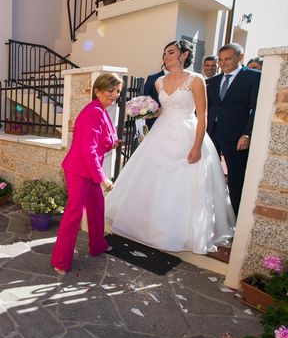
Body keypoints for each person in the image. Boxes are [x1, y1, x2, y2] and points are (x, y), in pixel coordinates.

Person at [106, 40, 235, 254]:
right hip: (161, 134)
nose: (167, 56)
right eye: (165, 53)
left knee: (183, 183)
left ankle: (177, 231)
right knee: (151, 178)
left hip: (187, 133)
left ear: (184, 55)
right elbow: (162, 110)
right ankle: (146, 225)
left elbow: (202, 116)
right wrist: (144, 110)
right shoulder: (159, 82)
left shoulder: (196, 80)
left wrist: (196, 146)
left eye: (172, 52)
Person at [50, 74, 120, 275]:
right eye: (110, 90)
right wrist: (103, 179)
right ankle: (61, 261)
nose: (114, 95)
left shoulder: (102, 110)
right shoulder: (93, 112)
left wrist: (111, 143)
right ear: (97, 91)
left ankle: (98, 245)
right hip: (79, 171)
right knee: (74, 214)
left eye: (117, 91)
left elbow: (102, 140)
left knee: (97, 207)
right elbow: (87, 150)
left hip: (90, 169)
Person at [207, 43, 261, 216]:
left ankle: (234, 217)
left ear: (240, 57)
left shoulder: (254, 77)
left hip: (237, 138)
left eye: (228, 59)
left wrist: (247, 133)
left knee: (236, 179)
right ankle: (212, 214)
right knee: (209, 176)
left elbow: (255, 108)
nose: (223, 63)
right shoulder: (212, 82)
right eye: (220, 60)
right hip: (212, 136)